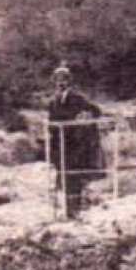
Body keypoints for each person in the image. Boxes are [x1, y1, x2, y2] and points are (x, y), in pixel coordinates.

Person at [46, 65, 104, 216]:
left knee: (74, 177)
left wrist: (83, 121)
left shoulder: (77, 98)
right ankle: (68, 210)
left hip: (75, 144)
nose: (60, 83)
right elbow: (51, 123)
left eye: (63, 79)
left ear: (69, 81)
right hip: (59, 144)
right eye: (57, 80)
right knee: (63, 176)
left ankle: (75, 210)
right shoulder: (53, 101)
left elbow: (96, 111)